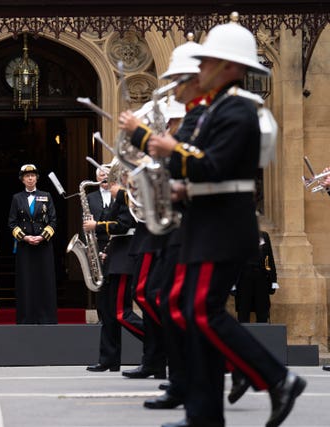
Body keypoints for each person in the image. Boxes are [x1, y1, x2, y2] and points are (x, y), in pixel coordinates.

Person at [147, 16, 306, 427]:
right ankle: (205, 413)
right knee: (194, 312)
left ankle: (276, 378)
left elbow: (211, 165)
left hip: (222, 229)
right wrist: (182, 185)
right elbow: (210, 171)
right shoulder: (222, 107)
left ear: (231, 66)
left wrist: (167, 148)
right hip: (208, 225)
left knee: (200, 310)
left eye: (208, 62)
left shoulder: (238, 108)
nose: (200, 70)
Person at [118, 35, 208, 409]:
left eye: (181, 79)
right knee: (168, 300)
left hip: (196, 227)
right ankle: (182, 380)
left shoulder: (207, 117)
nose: (176, 88)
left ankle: (250, 373)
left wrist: (147, 139)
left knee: (189, 307)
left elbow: (206, 165)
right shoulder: (194, 120)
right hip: (175, 227)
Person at [84, 168, 136, 371]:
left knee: (121, 312)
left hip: (124, 259)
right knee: (106, 311)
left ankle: (158, 343)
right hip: (115, 255)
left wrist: (96, 226)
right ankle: (109, 359)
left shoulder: (129, 197)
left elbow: (123, 226)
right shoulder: (119, 199)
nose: (107, 187)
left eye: (111, 183)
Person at [8, 164, 58, 324]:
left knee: (45, 280)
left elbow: (53, 221)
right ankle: (26, 318)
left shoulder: (46, 195)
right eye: (27, 176)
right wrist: (25, 238)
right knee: (26, 281)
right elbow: (11, 223)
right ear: (22, 179)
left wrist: (42, 237)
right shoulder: (17, 198)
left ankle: (46, 317)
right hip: (25, 246)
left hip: (43, 246)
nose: (30, 178)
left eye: (33, 175)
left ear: (37, 178)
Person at [234, 229, 278, 323]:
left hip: (261, 277)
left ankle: (263, 335)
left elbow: (269, 257)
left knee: (262, 308)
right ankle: (243, 335)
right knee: (243, 308)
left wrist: (273, 280)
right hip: (243, 278)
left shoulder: (264, 235)